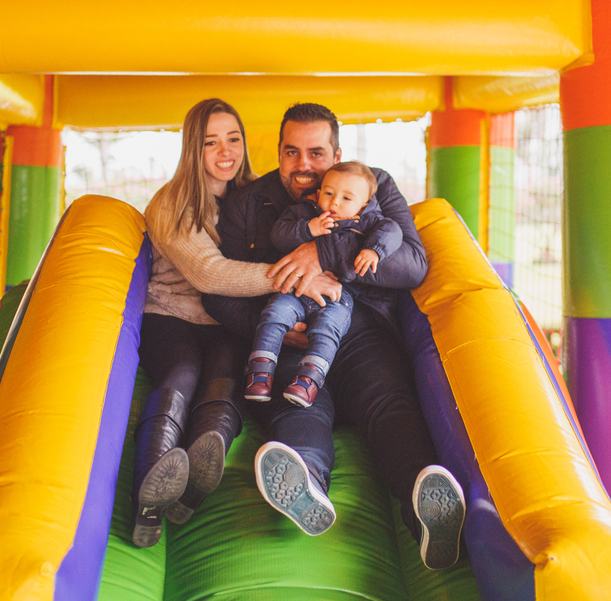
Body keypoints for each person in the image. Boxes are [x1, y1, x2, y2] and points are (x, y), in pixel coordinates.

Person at [203, 103, 467, 569]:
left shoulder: (372, 184)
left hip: (360, 327)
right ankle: (304, 483)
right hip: (290, 331)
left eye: (316, 153)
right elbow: (217, 291)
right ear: (278, 152)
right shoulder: (248, 203)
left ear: (337, 154)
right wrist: (274, 327)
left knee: (388, 400)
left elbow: (411, 265)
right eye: (291, 152)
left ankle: (424, 502)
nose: (303, 165)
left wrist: (322, 251)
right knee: (298, 404)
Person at [133, 98, 313, 547]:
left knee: (227, 379)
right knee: (182, 372)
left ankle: (197, 474)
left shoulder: (252, 194)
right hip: (171, 314)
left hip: (224, 320)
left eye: (233, 139)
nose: (225, 151)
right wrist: (292, 276)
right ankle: (150, 492)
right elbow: (208, 275)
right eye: (211, 142)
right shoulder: (173, 202)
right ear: (193, 149)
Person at [245, 161, 402, 409]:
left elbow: (393, 231)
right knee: (274, 314)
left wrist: (374, 250)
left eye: (346, 198)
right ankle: (259, 373)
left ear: (363, 205)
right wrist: (308, 229)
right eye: (329, 193)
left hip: (338, 295)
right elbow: (279, 234)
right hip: (297, 290)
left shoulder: (369, 222)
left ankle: (308, 381)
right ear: (318, 193)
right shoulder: (304, 212)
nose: (334, 203)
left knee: (328, 329)